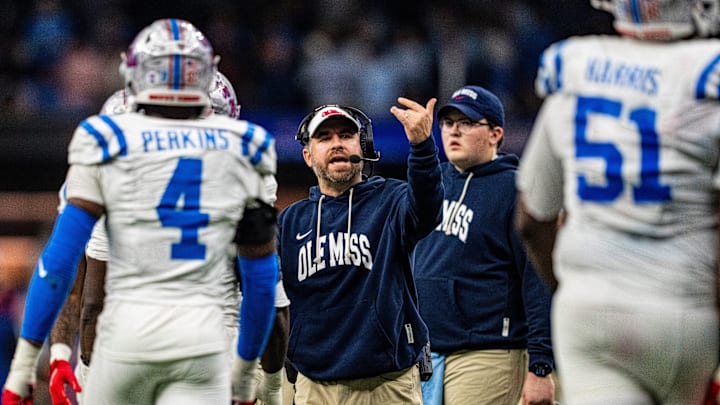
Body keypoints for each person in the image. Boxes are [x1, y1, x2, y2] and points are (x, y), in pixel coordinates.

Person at [2, 18, 279, 405]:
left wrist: (24, 366)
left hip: (126, 337)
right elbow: (262, 282)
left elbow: (60, 261)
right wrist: (248, 375)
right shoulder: (248, 145)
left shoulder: (105, 137)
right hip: (203, 342)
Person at [515, 1, 720, 403]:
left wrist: (572, 288)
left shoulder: (575, 77)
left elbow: (530, 221)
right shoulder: (705, 81)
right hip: (680, 307)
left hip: (588, 309)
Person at [277, 98, 441, 404]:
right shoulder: (290, 221)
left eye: (346, 135)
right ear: (307, 155)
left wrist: (421, 147)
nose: (337, 144)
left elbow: (428, 208)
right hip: (314, 385)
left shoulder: (392, 200)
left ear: (362, 146)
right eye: (324, 138)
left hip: (386, 385)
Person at [413, 85, 555, 405]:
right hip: (425, 351)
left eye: (466, 123)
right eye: (448, 123)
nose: (454, 131)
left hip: (488, 349)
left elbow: (537, 280)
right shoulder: (431, 183)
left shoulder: (516, 190)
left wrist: (541, 365)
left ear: (495, 134)